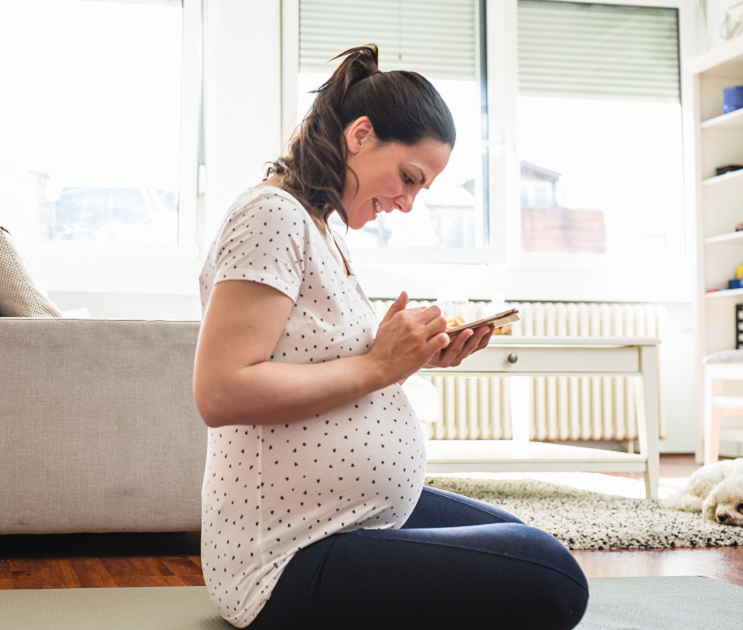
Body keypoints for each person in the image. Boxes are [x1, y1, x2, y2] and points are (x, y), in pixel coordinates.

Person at [193, 45, 589, 630]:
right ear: (360, 134)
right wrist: (381, 366)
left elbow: (328, 363)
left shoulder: (323, 229)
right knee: (550, 575)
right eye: (408, 177)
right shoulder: (270, 214)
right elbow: (222, 392)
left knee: (521, 539)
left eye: (420, 189)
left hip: (345, 519)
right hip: (284, 559)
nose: (406, 203)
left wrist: (410, 357)